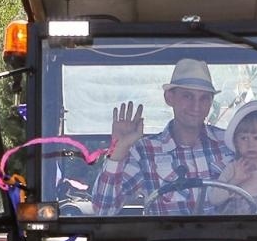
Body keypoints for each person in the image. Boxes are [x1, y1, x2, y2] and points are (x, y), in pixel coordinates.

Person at [89, 58, 232, 214]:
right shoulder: (144, 151)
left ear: (211, 102)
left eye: (204, 98)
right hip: (168, 237)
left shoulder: (229, 142)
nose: (196, 106)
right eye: (188, 96)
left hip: (226, 238)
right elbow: (104, 210)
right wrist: (119, 149)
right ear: (169, 98)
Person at [212, 101, 257, 212]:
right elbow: (214, 199)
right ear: (236, 142)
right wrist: (235, 180)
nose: (250, 144)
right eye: (244, 138)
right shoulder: (233, 168)